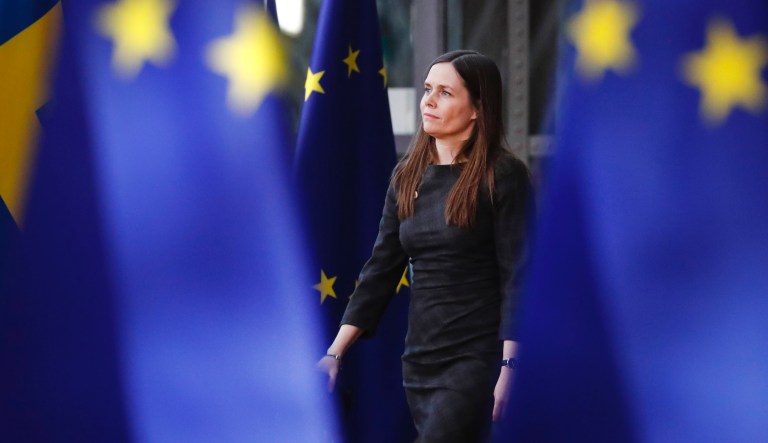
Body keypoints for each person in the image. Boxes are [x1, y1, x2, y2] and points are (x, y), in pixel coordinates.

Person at [317, 50, 531, 442]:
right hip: (419, 361)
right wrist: (334, 355)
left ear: (476, 109)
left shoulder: (502, 174)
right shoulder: (407, 175)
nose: (428, 101)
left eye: (445, 93)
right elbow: (380, 270)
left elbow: (517, 277)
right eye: (428, 89)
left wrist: (510, 365)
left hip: (475, 358)